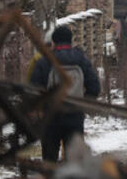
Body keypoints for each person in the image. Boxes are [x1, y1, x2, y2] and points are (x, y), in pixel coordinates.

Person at [29, 26, 101, 162]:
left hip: (51, 117)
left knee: (49, 160)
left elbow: (34, 89)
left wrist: (40, 109)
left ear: (53, 42)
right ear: (71, 40)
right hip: (75, 116)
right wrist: (83, 104)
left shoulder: (45, 61)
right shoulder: (81, 60)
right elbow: (94, 87)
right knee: (74, 161)